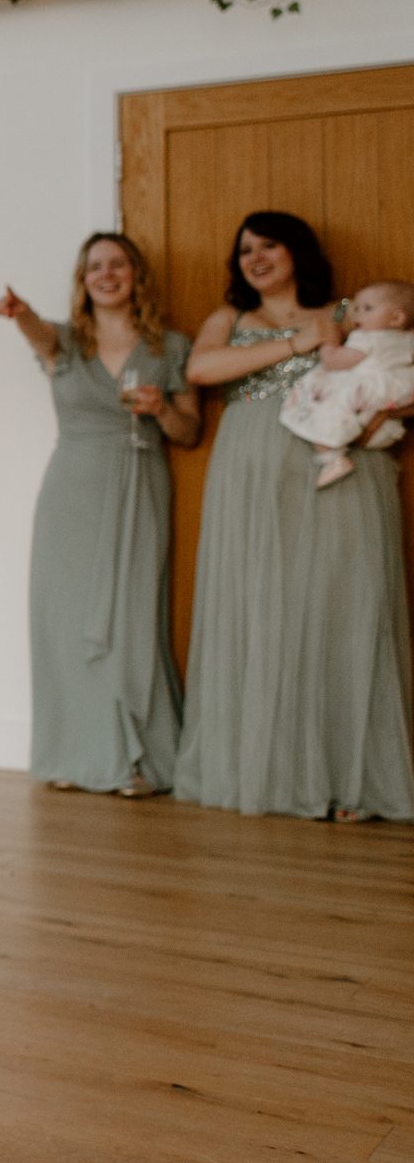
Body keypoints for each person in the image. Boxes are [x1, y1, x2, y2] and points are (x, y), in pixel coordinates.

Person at [178, 211, 414, 822]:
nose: (255, 258)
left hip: (335, 466)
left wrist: (375, 417)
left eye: (269, 245)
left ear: (297, 251)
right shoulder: (230, 319)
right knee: (261, 606)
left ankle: (350, 779)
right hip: (253, 469)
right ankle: (269, 771)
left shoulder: (349, 311)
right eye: (245, 250)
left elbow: (394, 366)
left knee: (339, 605)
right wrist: (296, 344)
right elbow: (199, 370)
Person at [0, 233, 197, 796]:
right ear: (83, 281)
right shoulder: (63, 341)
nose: (107, 274)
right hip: (72, 491)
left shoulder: (170, 346)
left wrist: (161, 409)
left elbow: (188, 431)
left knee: (132, 620)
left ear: (137, 275)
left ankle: (137, 759)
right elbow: (38, 334)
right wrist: (22, 313)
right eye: (95, 267)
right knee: (64, 623)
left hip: (139, 482)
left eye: (118, 264)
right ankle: (71, 753)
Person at [280, 278, 414, 487]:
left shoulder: (366, 338)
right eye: (357, 308)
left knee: (321, 413)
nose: (358, 315)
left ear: (397, 317)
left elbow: (335, 362)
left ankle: (332, 459)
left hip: (362, 395)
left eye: (367, 308)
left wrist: (329, 344)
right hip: (392, 399)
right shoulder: (408, 339)